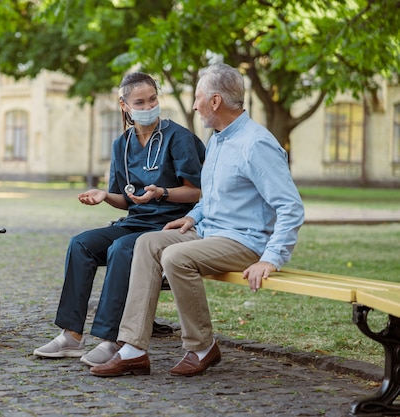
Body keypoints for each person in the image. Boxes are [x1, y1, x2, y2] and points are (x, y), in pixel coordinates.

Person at [90, 62, 305, 378]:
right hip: (210, 233)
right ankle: (133, 349)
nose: (193, 105)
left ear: (215, 101)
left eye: (198, 97)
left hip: (246, 242)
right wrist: (192, 217)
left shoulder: (255, 143)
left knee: (175, 256)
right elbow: (213, 197)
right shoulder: (219, 139)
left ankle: (202, 346)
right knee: (146, 242)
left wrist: (270, 259)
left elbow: (291, 207)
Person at [33, 72, 206, 367]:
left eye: (152, 99)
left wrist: (161, 193)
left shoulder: (179, 138)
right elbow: (124, 198)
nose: (148, 105)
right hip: (135, 222)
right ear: (124, 105)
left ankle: (111, 339)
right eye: (140, 101)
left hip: (170, 226)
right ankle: (71, 336)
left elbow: (197, 192)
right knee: (81, 245)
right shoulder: (121, 145)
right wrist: (104, 195)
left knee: (122, 248)